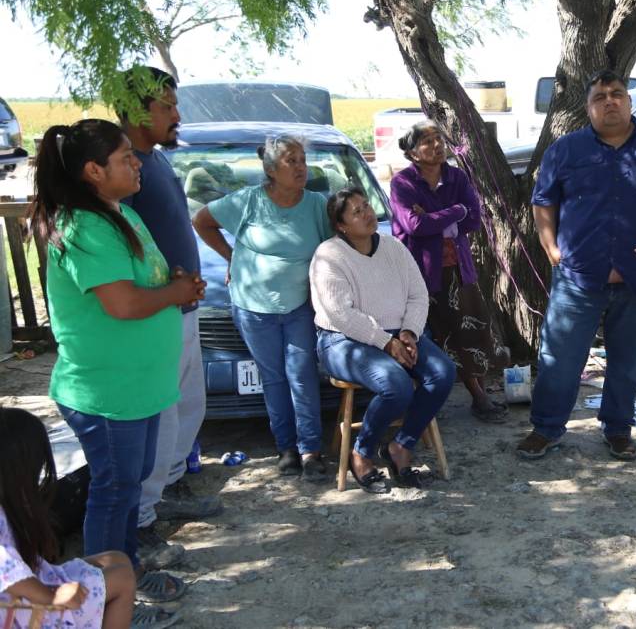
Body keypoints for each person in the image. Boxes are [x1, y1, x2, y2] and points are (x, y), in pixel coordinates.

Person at [29, 119, 202, 621]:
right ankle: (104, 603)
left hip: (138, 386)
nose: (136, 163)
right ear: (93, 171)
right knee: (113, 493)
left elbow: (143, 277)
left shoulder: (117, 213)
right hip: (106, 391)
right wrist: (174, 293)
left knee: (128, 487)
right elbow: (123, 304)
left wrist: (173, 282)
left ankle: (124, 574)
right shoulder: (83, 228)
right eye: (125, 157)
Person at [517, 69, 636, 462]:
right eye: (600, 96)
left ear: (629, 100)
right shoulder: (566, 150)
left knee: (629, 361)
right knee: (559, 358)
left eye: (617, 94)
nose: (609, 101)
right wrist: (552, 249)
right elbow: (543, 203)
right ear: (588, 108)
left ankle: (618, 428)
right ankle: (546, 428)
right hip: (578, 278)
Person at [119, 66, 221, 571]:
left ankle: (171, 488)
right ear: (138, 110)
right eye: (167, 107)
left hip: (183, 307)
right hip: (157, 315)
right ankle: (141, 521)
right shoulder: (124, 168)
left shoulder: (153, 159)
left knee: (188, 407)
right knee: (157, 422)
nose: (177, 115)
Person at [193, 135, 332, 483]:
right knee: (273, 377)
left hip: (300, 305)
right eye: (291, 161)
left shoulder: (316, 205)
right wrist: (232, 258)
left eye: (302, 160)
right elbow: (202, 221)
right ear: (271, 170)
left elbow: (335, 247)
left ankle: (311, 449)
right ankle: (285, 447)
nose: (301, 167)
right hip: (253, 307)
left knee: (302, 374)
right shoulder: (248, 201)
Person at [311, 187, 455, 493]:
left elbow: (417, 295)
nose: (367, 214)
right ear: (341, 225)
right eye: (357, 211)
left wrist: (408, 333)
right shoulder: (329, 255)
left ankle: (401, 445)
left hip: (396, 334)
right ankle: (361, 451)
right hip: (343, 340)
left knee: (443, 372)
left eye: (366, 206)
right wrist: (385, 342)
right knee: (396, 384)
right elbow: (341, 314)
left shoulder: (393, 248)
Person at [389, 120, 510, 423]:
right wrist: (454, 212)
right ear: (412, 152)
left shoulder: (456, 177)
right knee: (429, 333)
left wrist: (440, 217)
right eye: (427, 141)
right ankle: (425, 401)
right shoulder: (403, 183)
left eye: (438, 139)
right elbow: (413, 226)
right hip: (420, 274)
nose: (437, 145)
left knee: (470, 330)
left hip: (458, 269)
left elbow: (473, 219)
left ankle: (479, 397)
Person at [1, 407, 140, 629]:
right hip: (23, 610)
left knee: (116, 559)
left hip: (26, 588)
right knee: (123, 578)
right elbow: (3, 569)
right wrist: (52, 596)